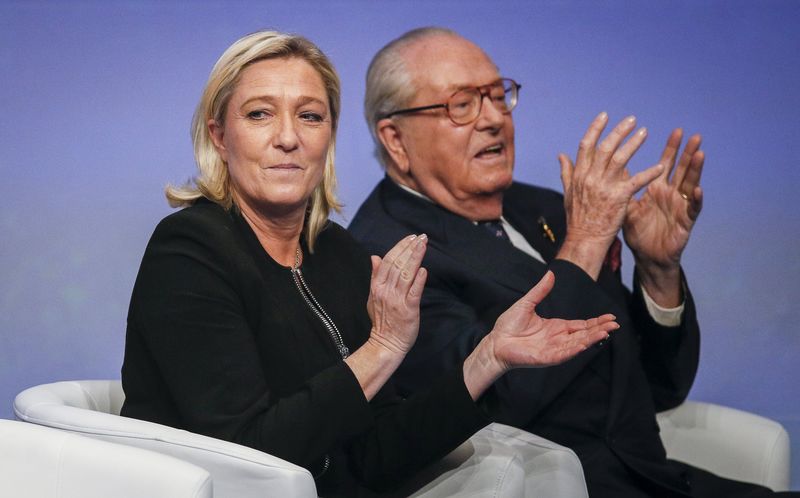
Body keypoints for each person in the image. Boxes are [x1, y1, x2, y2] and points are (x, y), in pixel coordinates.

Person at [119, 30, 618, 497]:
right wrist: (381, 348)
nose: (288, 137)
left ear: (329, 136)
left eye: (310, 116)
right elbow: (250, 459)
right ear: (220, 137)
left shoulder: (339, 254)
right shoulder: (189, 250)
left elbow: (372, 456)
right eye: (260, 114)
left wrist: (487, 360)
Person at [350, 27, 798, 497]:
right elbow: (491, 408)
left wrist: (658, 270)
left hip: (656, 476)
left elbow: (658, 387)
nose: (494, 120)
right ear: (395, 139)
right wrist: (584, 244)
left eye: (498, 96)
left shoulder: (541, 209)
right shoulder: (388, 254)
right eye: (462, 104)